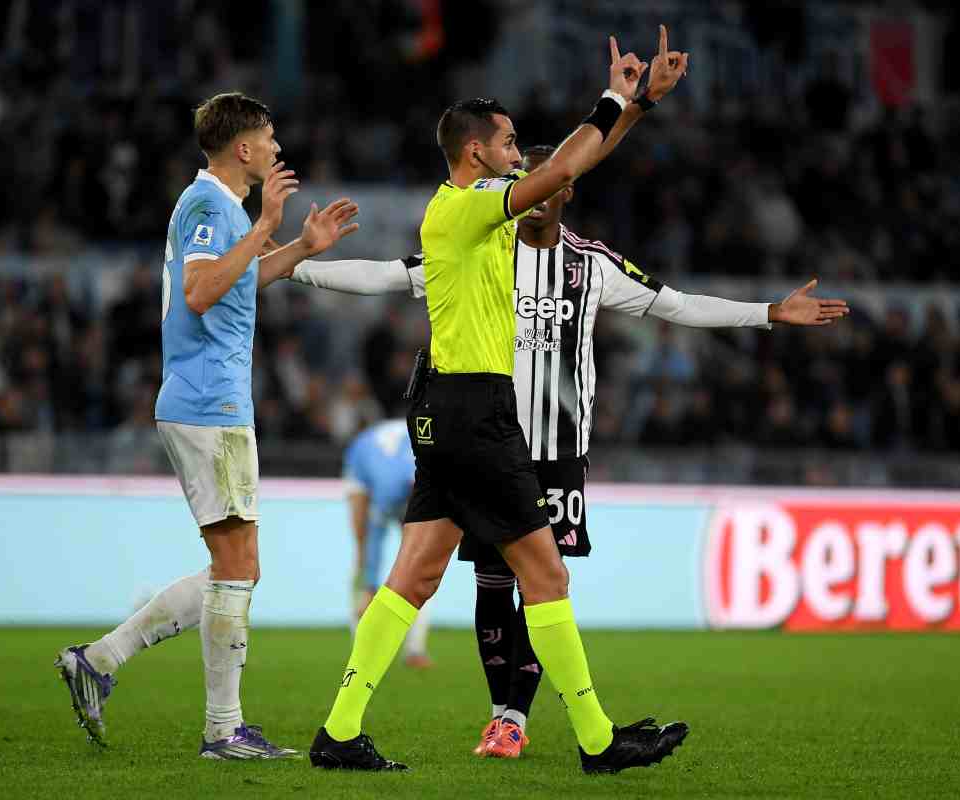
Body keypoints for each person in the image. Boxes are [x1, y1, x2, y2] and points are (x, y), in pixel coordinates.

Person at [291, 146, 848, 758]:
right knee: (497, 583)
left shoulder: (590, 265)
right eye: (519, 180)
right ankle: (555, 729)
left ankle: (507, 721)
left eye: (542, 182)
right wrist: (298, 264)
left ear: (564, 191)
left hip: (553, 452)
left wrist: (767, 313)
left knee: (522, 581)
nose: (530, 192)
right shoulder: (481, 245)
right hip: (485, 440)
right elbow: (389, 275)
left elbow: (678, 304)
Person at [304, 26, 693, 775]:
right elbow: (559, 173)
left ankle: (339, 731)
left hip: (444, 412)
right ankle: (598, 742)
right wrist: (614, 95)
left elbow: (570, 170)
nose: (524, 153)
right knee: (546, 577)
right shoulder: (466, 207)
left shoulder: (480, 215)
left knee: (414, 576)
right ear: (477, 152)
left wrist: (637, 106)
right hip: (477, 414)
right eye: (512, 142)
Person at [54, 92, 359, 759]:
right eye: (270, 137)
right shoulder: (208, 206)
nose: (278, 149)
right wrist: (265, 226)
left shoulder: (222, 209)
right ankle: (220, 730)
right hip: (207, 402)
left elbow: (236, 281)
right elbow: (198, 290)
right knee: (238, 567)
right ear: (244, 147)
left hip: (212, 401)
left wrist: (300, 246)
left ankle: (101, 661)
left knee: (238, 567)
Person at [342, 419, 432, 668]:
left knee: (422, 563)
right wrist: (371, 584)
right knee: (362, 549)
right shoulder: (388, 486)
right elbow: (375, 537)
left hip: (401, 463)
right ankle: (359, 646)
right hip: (362, 465)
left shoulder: (436, 478)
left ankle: (415, 650)